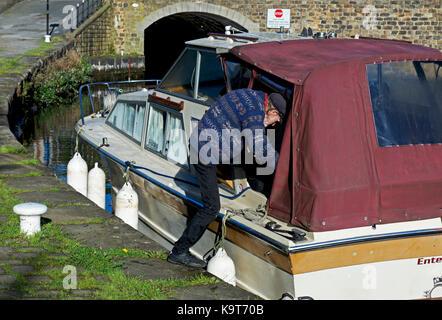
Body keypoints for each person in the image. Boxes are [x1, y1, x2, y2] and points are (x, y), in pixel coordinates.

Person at [167, 89, 287, 268]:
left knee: (251, 162)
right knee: (212, 207)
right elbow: (261, 151)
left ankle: (259, 191)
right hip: (204, 153)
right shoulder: (255, 114)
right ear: (273, 112)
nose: (270, 126)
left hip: (204, 138)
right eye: (273, 122)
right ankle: (179, 251)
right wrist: (286, 167)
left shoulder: (252, 95)